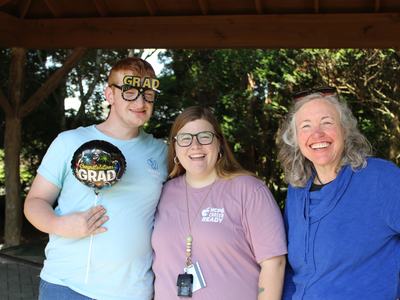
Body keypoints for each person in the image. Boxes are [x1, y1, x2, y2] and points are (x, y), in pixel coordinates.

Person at [24, 57, 168, 300]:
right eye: (129, 92)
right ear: (110, 95)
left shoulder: (163, 153)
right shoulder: (69, 141)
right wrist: (59, 225)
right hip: (67, 287)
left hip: (135, 291)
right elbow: (35, 202)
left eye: (148, 93)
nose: (141, 102)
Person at [151, 106, 287, 300]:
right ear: (175, 147)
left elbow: (274, 263)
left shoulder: (249, 190)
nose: (195, 145)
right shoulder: (162, 193)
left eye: (204, 136)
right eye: (185, 138)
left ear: (219, 143)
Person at [277, 87, 400, 300]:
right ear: (296, 139)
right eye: (306, 126)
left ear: (344, 130)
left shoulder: (381, 178)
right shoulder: (297, 190)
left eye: (327, 122)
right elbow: (294, 270)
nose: (317, 134)